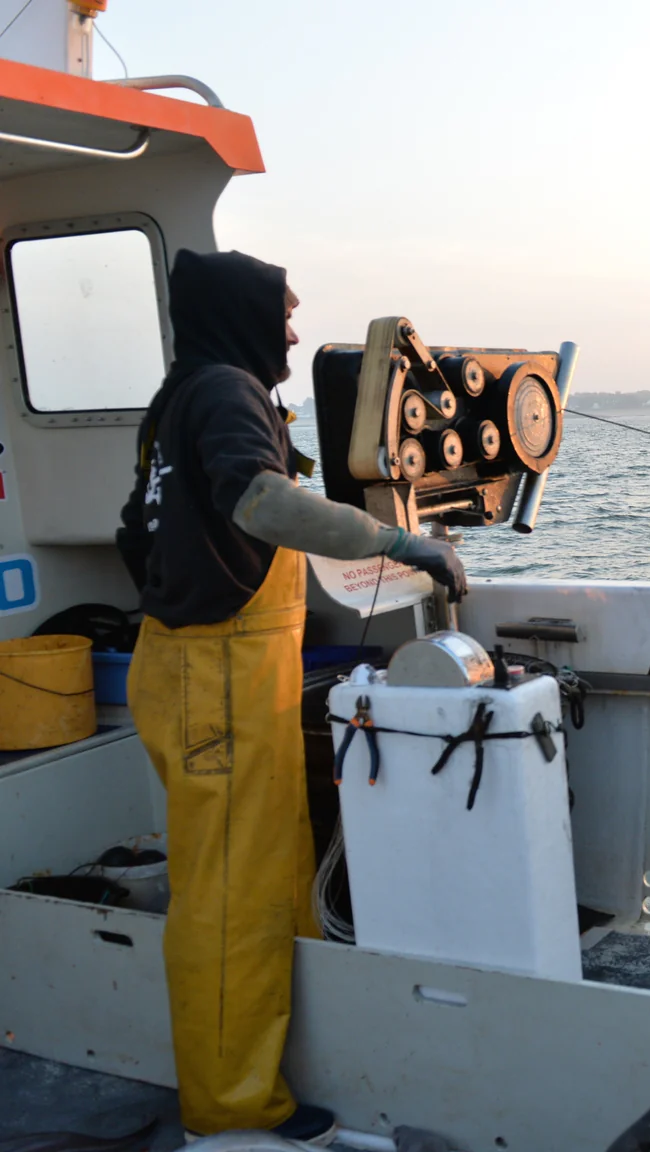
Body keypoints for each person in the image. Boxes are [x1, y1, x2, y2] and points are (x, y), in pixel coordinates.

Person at [117, 249, 466, 1144]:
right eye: (285, 315)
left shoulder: (175, 399)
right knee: (231, 900)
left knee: (271, 882)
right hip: (218, 675)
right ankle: (227, 1118)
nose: (296, 332)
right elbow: (262, 503)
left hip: (191, 661)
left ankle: (270, 1084)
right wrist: (402, 543)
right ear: (243, 315)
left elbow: (134, 533)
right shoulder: (228, 390)